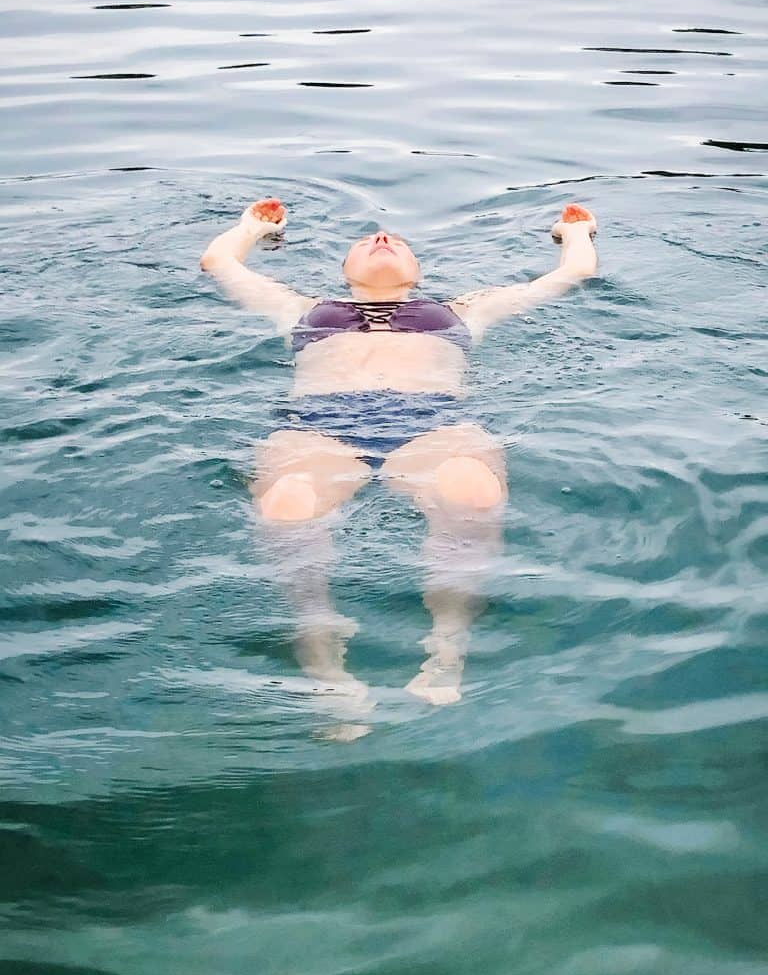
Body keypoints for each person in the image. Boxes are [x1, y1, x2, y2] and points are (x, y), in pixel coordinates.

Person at [200, 199, 597, 709]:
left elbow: (573, 273)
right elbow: (220, 263)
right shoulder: (297, 307)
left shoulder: (466, 309)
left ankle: (447, 649)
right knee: (288, 505)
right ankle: (325, 664)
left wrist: (575, 233)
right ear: (345, 272)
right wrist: (252, 228)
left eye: (397, 241)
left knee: (472, 492)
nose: (382, 237)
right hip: (321, 425)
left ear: (417, 270)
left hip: (431, 421)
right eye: (366, 241)